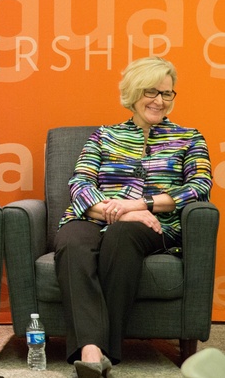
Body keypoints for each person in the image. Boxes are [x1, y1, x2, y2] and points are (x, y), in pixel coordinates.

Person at [55, 56, 212, 377]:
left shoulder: (189, 138)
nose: (159, 101)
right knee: (70, 239)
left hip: (154, 226)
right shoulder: (104, 137)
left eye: (167, 94)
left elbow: (199, 187)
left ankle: (106, 346)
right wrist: (118, 212)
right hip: (96, 216)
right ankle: (91, 351)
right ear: (133, 93)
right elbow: (80, 183)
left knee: (121, 236)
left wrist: (140, 207)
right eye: (150, 92)